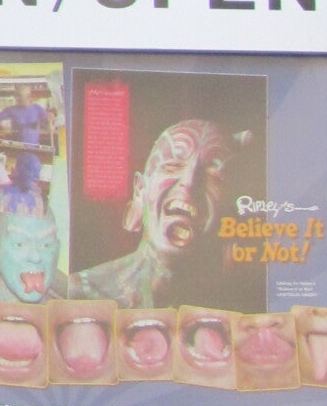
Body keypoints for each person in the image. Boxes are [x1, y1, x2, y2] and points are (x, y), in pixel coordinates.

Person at [71, 116, 235, 305]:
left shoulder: (237, 309)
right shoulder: (79, 295)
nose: (189, 182)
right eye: (172, 166)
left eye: (214, 175)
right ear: (140, 190)